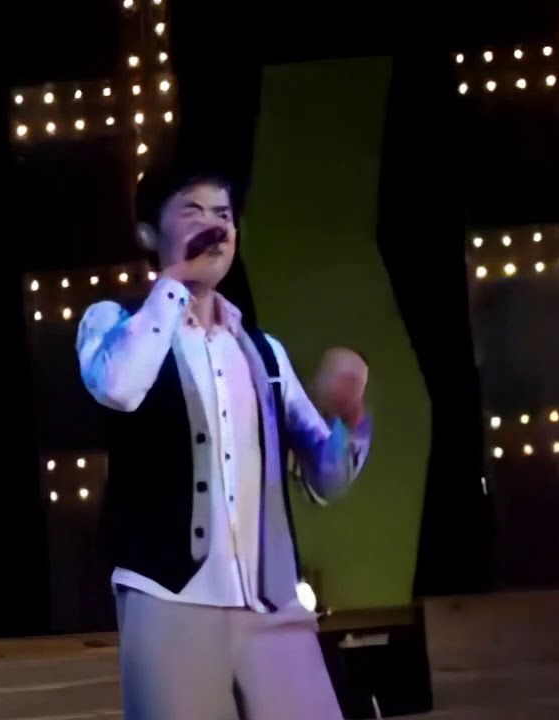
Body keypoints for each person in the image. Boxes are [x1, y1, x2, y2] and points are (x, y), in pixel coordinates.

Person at [75, 159, 372, 720]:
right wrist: (173, 284)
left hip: (272, 605)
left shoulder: (263, 352)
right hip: (169, 598)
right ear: (149, 234)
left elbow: (326, 480)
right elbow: (119, 388)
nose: (214, 225)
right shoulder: (112, 322)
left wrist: (351, 418)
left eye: (224, 214)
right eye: (193, 211)